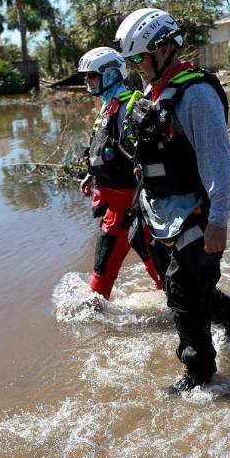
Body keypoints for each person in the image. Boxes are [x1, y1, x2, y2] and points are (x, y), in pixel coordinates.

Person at [113, 8, 230, 393]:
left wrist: (220, 220)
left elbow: (218, 162)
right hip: (160, 213)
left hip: (196, 215)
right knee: (186, 291)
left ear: (163, 49)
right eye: (129, 61)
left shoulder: (196, 95)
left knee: (184, 298)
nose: (134, 67)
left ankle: (200, 376)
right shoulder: (151, 92)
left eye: (137, 59)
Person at [77, 47, 162, 309]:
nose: (87, 81)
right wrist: (91, 175)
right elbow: (103, 148)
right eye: (86, 76)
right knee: (101, 275)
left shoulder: (130, 108)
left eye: (91, 75)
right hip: (115, 210)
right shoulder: (107, 108)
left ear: (111, 73)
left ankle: (205, 318)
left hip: (138, 212)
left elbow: (150, 157)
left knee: (166, 276)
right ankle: (89, 320)